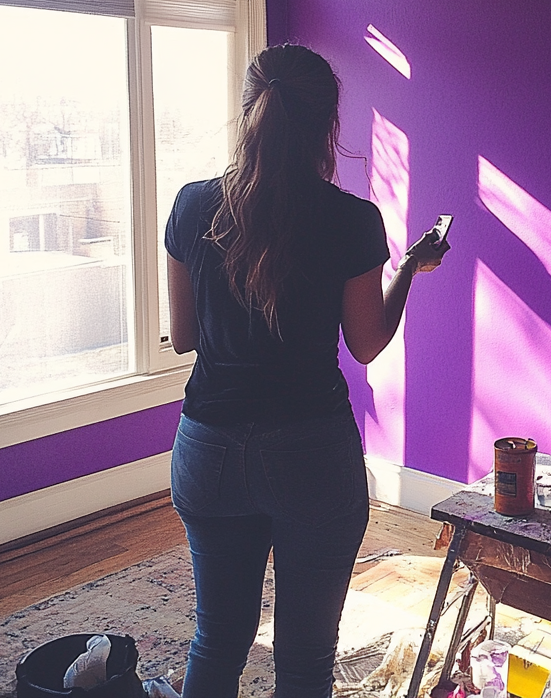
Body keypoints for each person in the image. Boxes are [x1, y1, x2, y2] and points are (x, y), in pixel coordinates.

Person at [165, 43, 449, 698]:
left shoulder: (191, 206)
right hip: (309, 454)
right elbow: (368, 342)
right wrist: (408, 268)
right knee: (303, 659)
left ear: (248, 113)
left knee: (216, 639)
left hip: (208, 448)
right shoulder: (351, 221)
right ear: (328, 126)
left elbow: (184, 337)